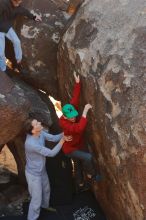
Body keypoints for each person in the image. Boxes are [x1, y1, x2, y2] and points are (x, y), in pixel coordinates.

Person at [59, 72, 101, 190]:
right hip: (70, 149)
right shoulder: (64, 123)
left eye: (74, 115)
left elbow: (75, 98)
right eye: (71, 117)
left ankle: (80, 183)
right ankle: (91, 175)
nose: (73, 118)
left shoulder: (70, 109)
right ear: (66, 117)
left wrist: (78, 83)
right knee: (87, 157)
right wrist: (85, 112)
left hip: (78, 144)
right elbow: (78, 128)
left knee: (77, 165)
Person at [24, 118, 71, 220]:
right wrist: (63, 141)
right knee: (36, 200)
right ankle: (32, 218)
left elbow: (53, 138)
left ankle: (45, 207)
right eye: (37, 123)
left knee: (46, 190)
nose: (40, 123)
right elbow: (52, 153)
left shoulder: (40, 132)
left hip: (41, 170)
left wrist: (65, 133)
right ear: (33, 130)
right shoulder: (31, 144)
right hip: (33, 175)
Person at [0, 0, 42, 72]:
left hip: (7, 28)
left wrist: (34, 17)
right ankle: (3, 70)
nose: (18, 4)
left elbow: (25, 11)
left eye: (19, 3)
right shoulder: (3, 4)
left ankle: (18, 61)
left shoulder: (18, 7)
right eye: (16, 2)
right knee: (0, 53)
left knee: (17, 41)